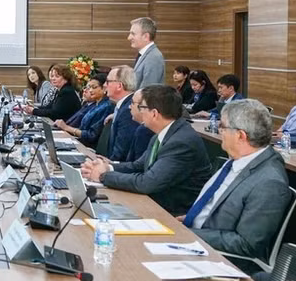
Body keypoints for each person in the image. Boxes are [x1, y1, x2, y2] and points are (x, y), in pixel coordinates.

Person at [181, 99, 291, 270]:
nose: (219, 131)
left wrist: (187, 233)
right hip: (196, 238)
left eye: (223, 127)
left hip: (220, 259)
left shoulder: (269, 182)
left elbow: (246, 244)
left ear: (240, 135)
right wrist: (187, 220)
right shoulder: (236, 161)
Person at [81, 85, 213, 215]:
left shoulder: (181, 141)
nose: (137, 110)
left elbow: (147, 183)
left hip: (172, 213)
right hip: (155, 203)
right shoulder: (163, 133)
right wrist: (107, 168)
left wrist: (102, 176)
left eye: (141, 107)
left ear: (154, 113)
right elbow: (138, 165)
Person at [56, 75, 115, 149]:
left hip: (88, 148)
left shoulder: (106, 107)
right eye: (89, 87)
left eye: (94, 87)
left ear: (104, 89)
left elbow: (91, 135)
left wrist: (67, 128)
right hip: (79, 143)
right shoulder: (96, 105)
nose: (90, 90)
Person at [102, 65, 144, 162]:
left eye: (108, 81)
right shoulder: (124, 106)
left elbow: (122, 151)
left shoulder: (129, 110)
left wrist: (106, 166)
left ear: (119, 86)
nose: (104, 85)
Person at [129, 17, 165, 88]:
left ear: (146, 36)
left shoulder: (154, 57)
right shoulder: (145, 55)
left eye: (133, 34)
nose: (129, 37)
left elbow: (148, 92)